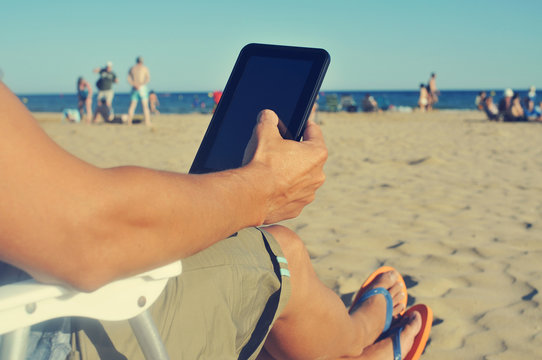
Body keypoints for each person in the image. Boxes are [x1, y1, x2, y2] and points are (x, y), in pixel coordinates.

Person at [0, 81, 430, 360]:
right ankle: (360, 335)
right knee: (281, 254)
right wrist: (260, 188)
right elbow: (86, 237)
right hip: (48, 333)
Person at [127, 56, 151, 126]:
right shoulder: (144, 68)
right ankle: (147, 121)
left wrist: (134, 84)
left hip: (134, 88)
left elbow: (128, 79)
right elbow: (147, 78)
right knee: (145, 106)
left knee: (132, 106)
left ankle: (129, 121)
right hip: (142, 88)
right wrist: (140, 84)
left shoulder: (132, 68)